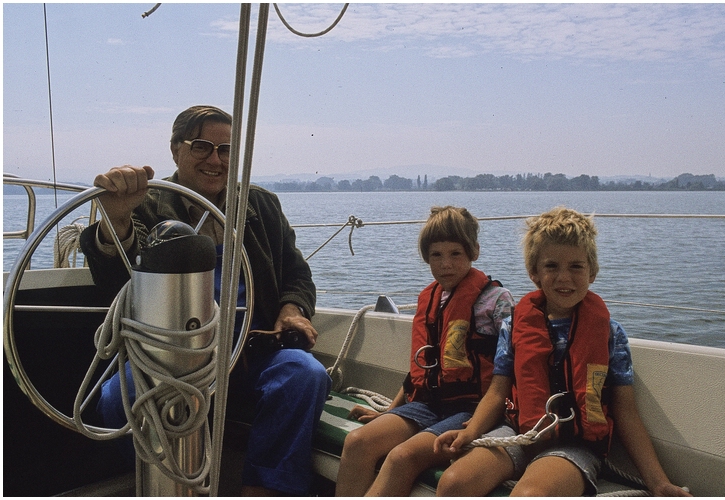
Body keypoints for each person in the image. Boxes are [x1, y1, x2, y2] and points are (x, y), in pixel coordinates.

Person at [78, 105, 332, 496]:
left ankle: (265, 488)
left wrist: (291, 310)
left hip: (252, 349)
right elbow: (115, 282)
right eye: (202, 147)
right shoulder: (143, 205)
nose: (216, 160)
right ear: (175, 150)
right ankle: (161, 485)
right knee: (116, 400)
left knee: (305, 375)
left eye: (226, 150)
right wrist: (116, 220)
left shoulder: (261, 206)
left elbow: (297, 275)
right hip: (167, 360)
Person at [433, 207, 692, 497]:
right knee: (453, 483)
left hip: (575, 444)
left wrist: (658, 482)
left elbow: (625, 411)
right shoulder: (513, 326)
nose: (563, 278)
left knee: (528, 496)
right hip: (519, 432)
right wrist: (470, 433)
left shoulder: (610, 334)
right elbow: (496, 393)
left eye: (576, 267)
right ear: (535, 274)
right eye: (552, 266)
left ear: (592, 272)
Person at [334, 206, 515, 496]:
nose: (446, 264)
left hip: (471, 409)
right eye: (436, 255)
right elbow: (421, 367)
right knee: (357, 442)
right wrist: (390, 411)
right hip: (426, 404)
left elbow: (508, 369)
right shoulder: (430, 299)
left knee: (401, 457)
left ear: (474, 252)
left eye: (456, 254)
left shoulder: (496, 300)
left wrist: (482, 421)